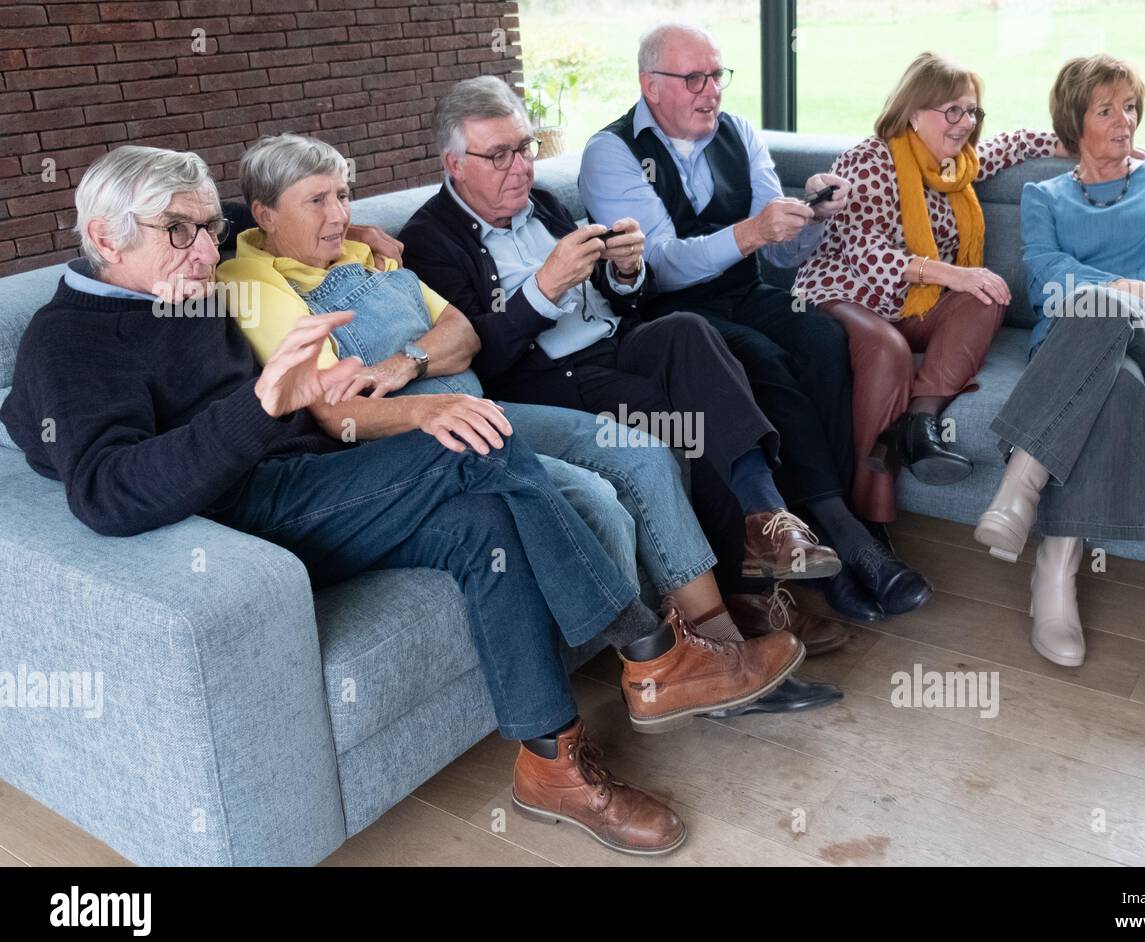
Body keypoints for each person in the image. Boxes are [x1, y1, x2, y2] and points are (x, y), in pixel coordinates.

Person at [0, 145, 812, 856]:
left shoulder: (181, 284)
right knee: (479, 441)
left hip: (304, 477)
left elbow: (266, 208)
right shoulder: (69, 342)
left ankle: (551, 765)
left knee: (484, 523)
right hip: (244, 519)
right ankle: (651, 655)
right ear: (104, 237)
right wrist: (261, 411)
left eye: (211, 228)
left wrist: (350, 235)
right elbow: (106, 496)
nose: (205, 248)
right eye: (182, 229)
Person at [217, 131, 845, 709]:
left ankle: (724, 644)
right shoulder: (254, 280)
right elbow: (336, 412)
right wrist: (431, 402)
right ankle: (666, 668)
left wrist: (407, 362)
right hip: (420, 440)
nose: (339, 214)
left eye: (345, 195)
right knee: (600, 492)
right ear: (266, 214)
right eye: (317, 201)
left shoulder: (363, 248)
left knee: (644, 450)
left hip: (480, 407)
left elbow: (460, 336)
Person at [397, 76, 878, 636]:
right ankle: (750, 595)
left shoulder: (543, 206)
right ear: (454, 164)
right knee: (686, 413)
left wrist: (625, 271)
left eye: (525, 149)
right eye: (498, 155)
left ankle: (767, 517)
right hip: (544, 379)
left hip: (615, 344)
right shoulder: (430, 242)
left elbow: (621, 300)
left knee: (687, 330)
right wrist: (544, 288)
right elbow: (478, 359)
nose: (520, 167)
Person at [581, 23, 932, 618]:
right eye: (693, 78)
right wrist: (752, 230)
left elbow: (778, 254)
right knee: (762, 361)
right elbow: (661, 264)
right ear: (651, 85)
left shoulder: (739, 133)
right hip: (671, 316)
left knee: (824, 339)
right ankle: (848, 544)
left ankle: (823, 535)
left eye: (718, 75)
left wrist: (811, 215)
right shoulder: (610, 153)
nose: (710, 90)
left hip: (744, 292)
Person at [974, 55, 1145, 666]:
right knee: (1114, 378)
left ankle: (1020, 485)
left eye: (1130, 106)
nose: (1124, 121)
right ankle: (1056, 569)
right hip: (1085, 338)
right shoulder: (1044, 197)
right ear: (1076, 124)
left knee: (1100, 303)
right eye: (1105, 109)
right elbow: (1050, 282)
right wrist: (1139, 289)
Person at [793, 52, 1062, 522]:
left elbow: (1017, 143)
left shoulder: (958, 167)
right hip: (843, 296)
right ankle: (867, 518)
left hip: (913, 306)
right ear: (914, 111)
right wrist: (954, 274)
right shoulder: (869, 161)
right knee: (889, 349)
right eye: (951, 110)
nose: (965, 123)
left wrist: (1093, 144)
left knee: (989, 293)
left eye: (973, 111)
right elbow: (870, 259)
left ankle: (918, 424)